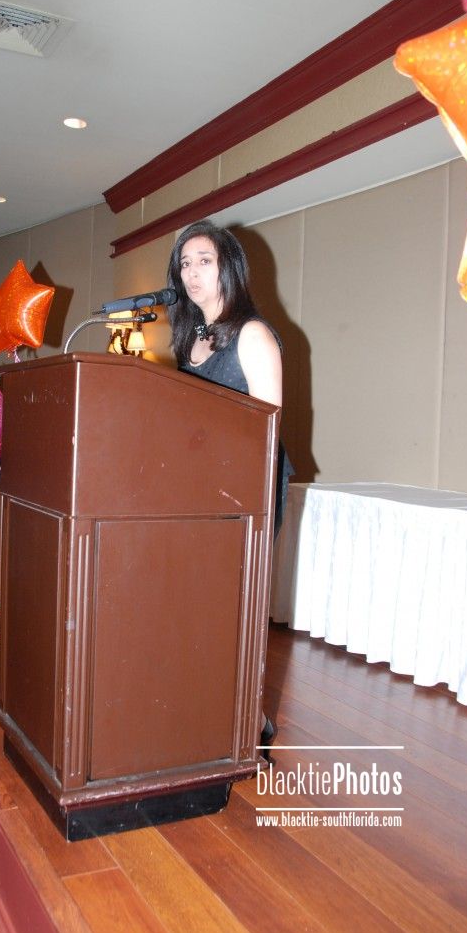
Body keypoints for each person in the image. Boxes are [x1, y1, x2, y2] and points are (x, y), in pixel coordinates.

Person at [167, 218, 293, 751]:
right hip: (198, 492)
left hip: (244, 494)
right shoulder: (189, 340)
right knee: (198, 609)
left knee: (234, 610)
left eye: (204, 261)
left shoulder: (253, 334)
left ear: (229, 269)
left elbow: (266, 430)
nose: (192, 273)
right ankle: (208, 710)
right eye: (184, 263)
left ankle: (249, 722)